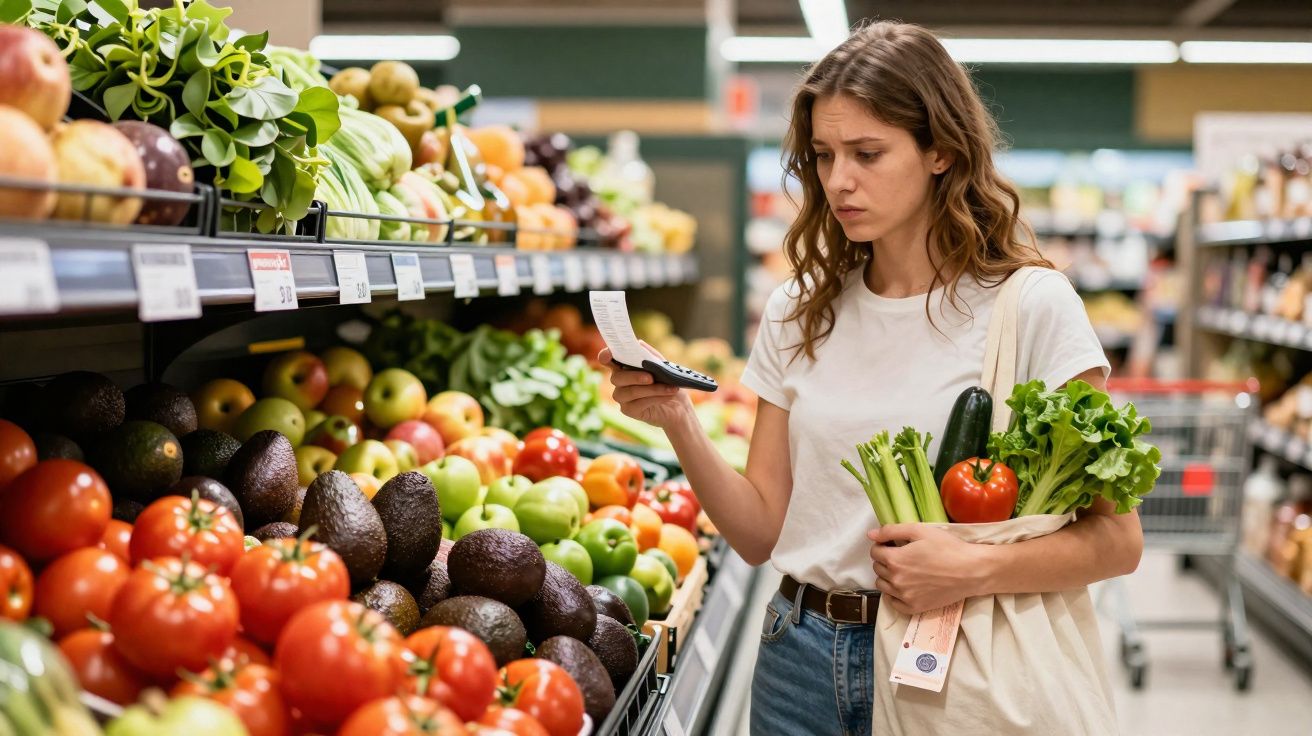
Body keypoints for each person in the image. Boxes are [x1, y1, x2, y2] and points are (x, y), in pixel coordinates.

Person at [600, 20, 1143, 736]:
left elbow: (1119, 542)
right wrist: (678, 421)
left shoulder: (1032, 307)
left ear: (941, 150)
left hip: (957, 656)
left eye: (868, 153)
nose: (839, 181)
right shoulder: (801, 307)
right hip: (797, 656)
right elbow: (761, 531)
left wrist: (970, 568)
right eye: (824, 156)